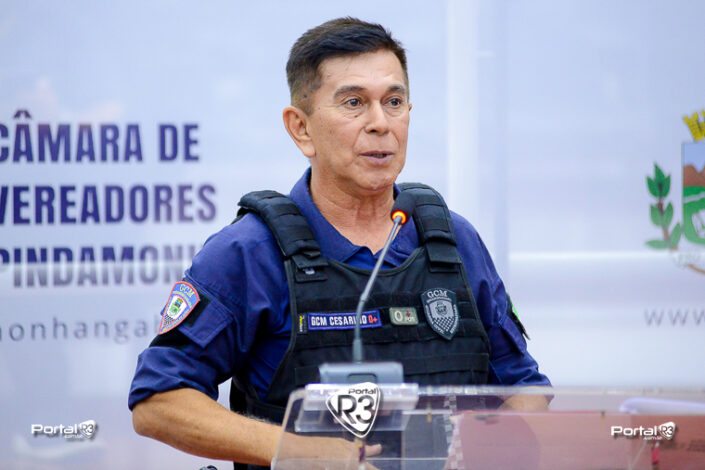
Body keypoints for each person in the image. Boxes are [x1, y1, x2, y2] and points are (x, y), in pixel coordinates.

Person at [129, 17, 550, 467]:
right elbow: (159, 402)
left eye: (394, 102)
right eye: (354, 103)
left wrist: (481, 453)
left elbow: (523, 389)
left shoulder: (454, 240)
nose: (380, 123)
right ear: (301, 128)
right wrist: (302, 452)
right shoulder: (250, 252)